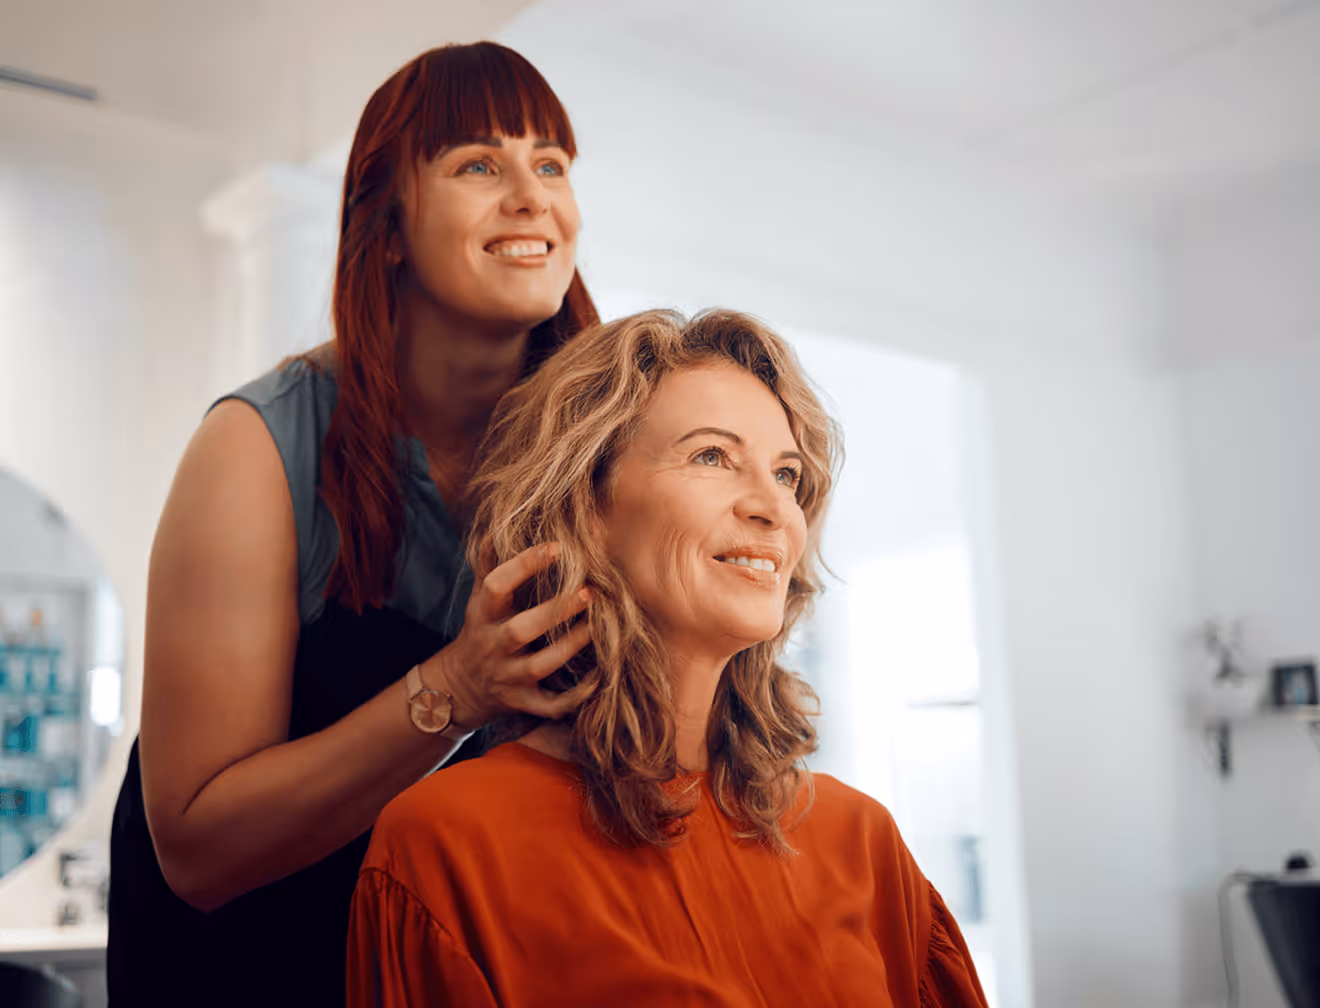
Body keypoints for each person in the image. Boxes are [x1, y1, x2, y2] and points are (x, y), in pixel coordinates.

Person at [107, 42, 600, 1007]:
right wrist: (456, 687)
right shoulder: (256, 446)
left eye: (551, 163)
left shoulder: (597, 458)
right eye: (476, 165)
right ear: (386, 228)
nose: (531, 195)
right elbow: (198, 850)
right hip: (237, 965)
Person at [347, 309, 990, 1007]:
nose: (773, 508)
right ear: (584, 505)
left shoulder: (863, 844)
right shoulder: (448, 845)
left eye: (786, 474)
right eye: (712, 456)